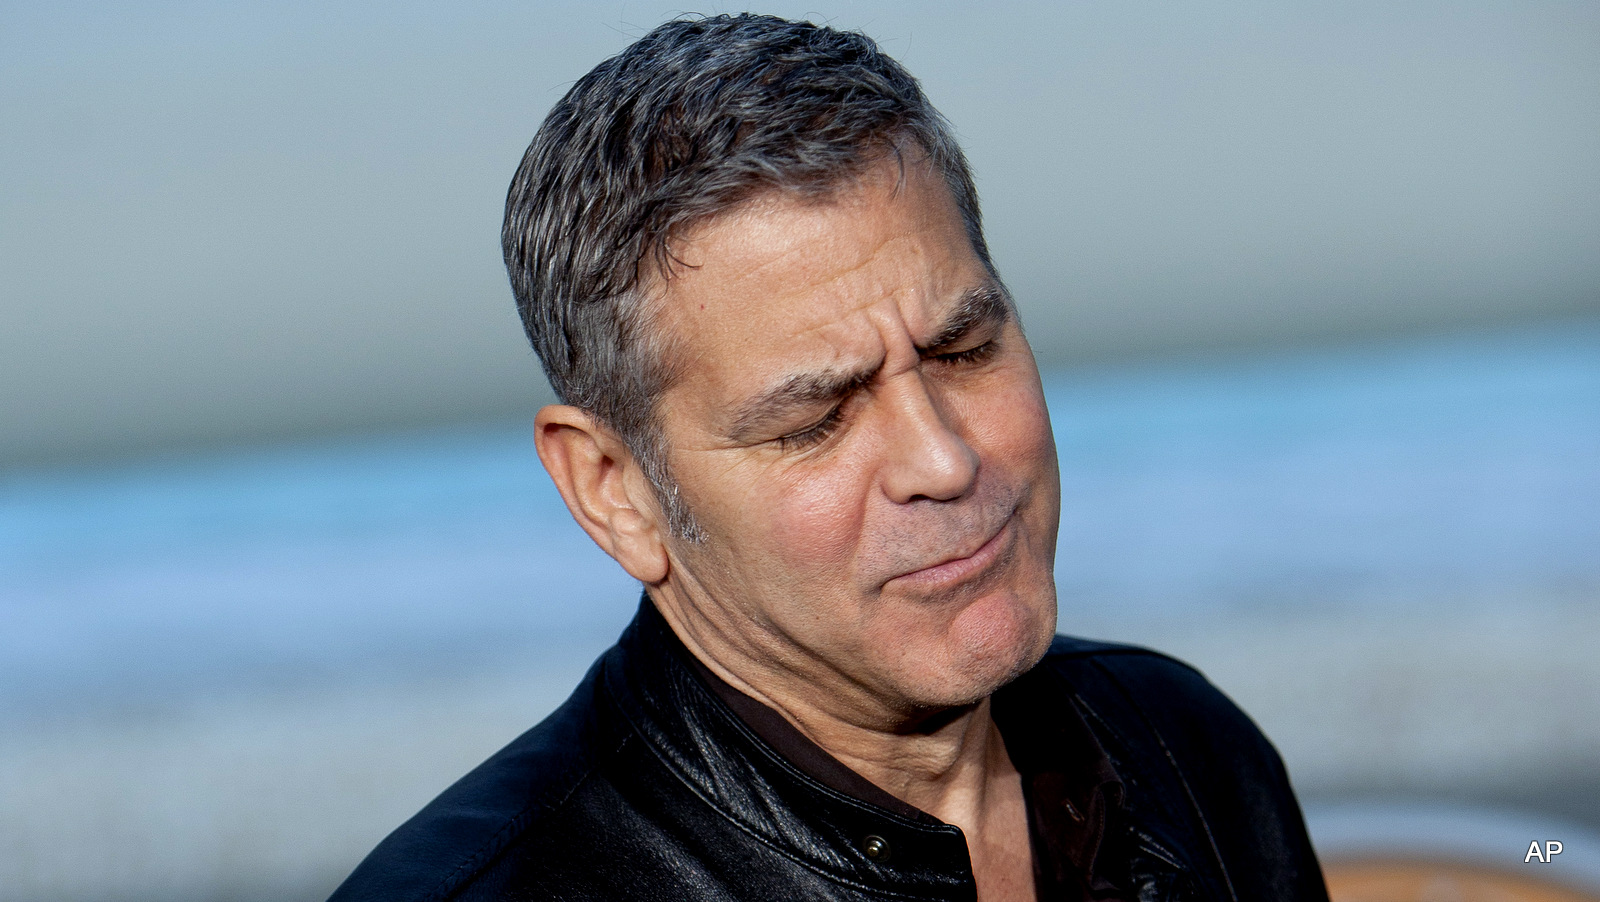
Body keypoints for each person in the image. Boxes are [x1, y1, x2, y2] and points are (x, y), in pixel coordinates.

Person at [329, 13, 1327, 902]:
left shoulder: (1185, 749)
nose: (941, 457)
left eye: (962, 349)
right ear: (613, 491)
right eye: (815, 419)